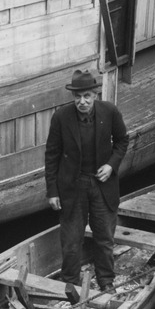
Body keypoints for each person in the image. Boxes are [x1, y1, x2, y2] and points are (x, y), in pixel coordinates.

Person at [45, 69, 129, 293]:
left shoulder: (110, 112)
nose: (82, 102)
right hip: (73, 188)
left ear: (95, 95)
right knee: (71, 240)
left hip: (103, 186)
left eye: (87, 97)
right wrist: (52, 191)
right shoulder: (61, 117)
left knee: (104, 237)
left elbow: (122, 140)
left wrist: (111, 165)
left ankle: (106, 282)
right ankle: (70, 284)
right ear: (73, 98)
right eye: (77, 97)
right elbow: (52, 154)